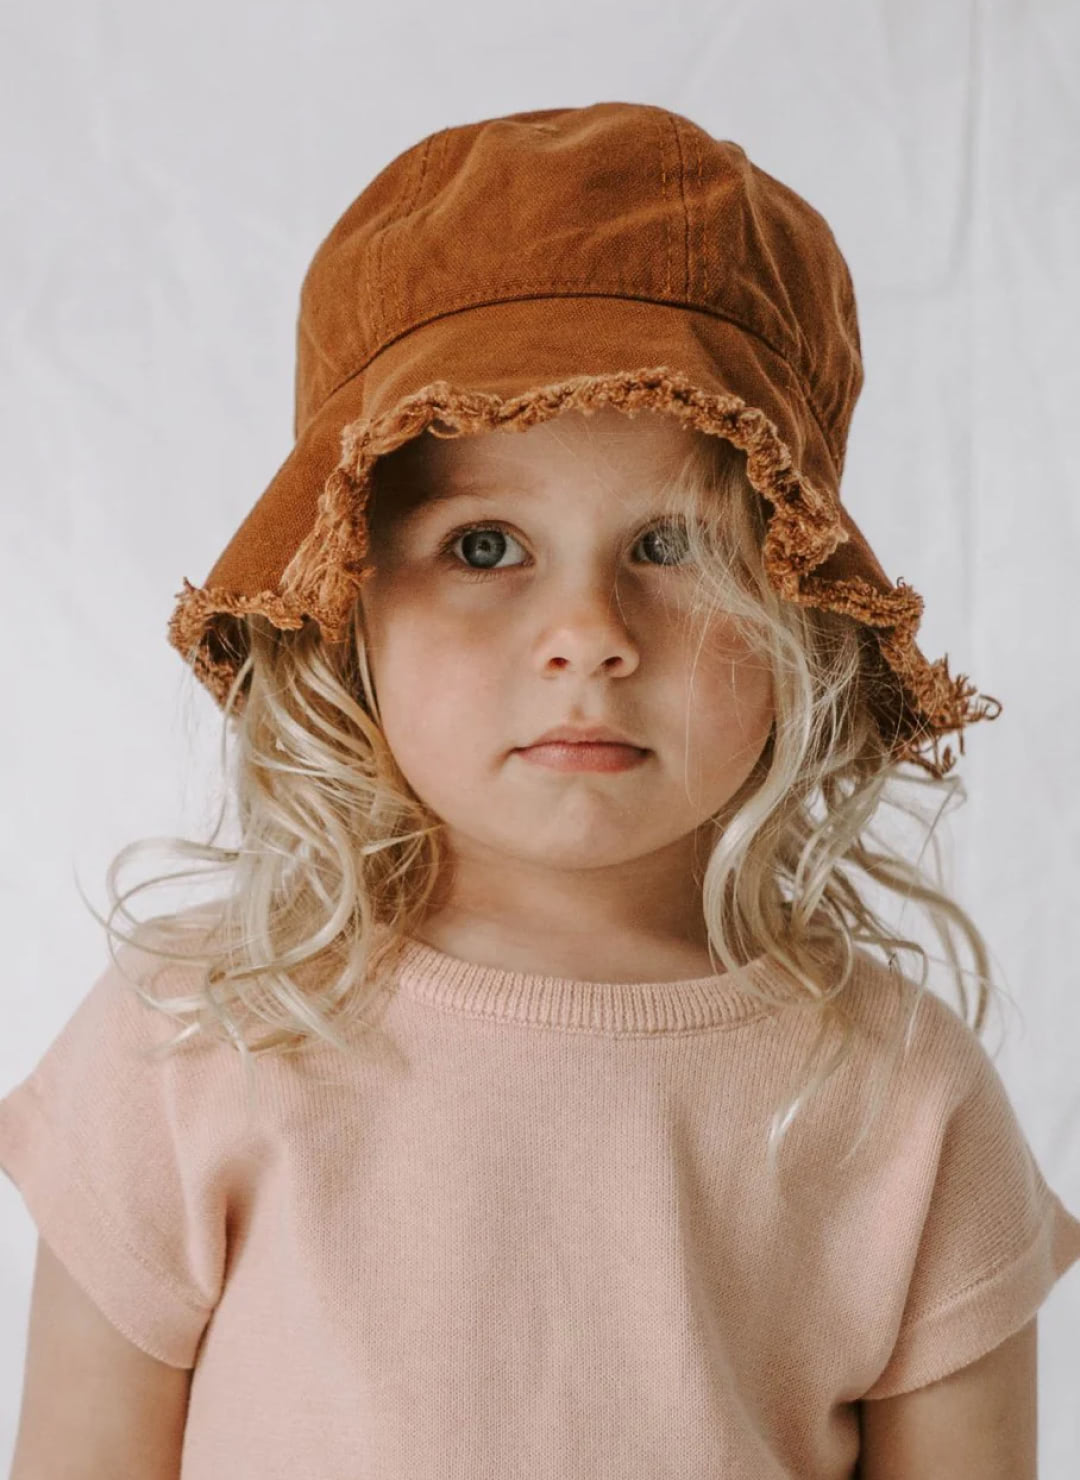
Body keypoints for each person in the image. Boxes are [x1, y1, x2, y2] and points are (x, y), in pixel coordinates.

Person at [1, 101, 1077, 1479]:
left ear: (801, 605)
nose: (591, 630)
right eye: (487, 542)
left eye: (677, 542)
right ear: (347, 597)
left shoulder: (905, 1101)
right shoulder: (197, 1035)